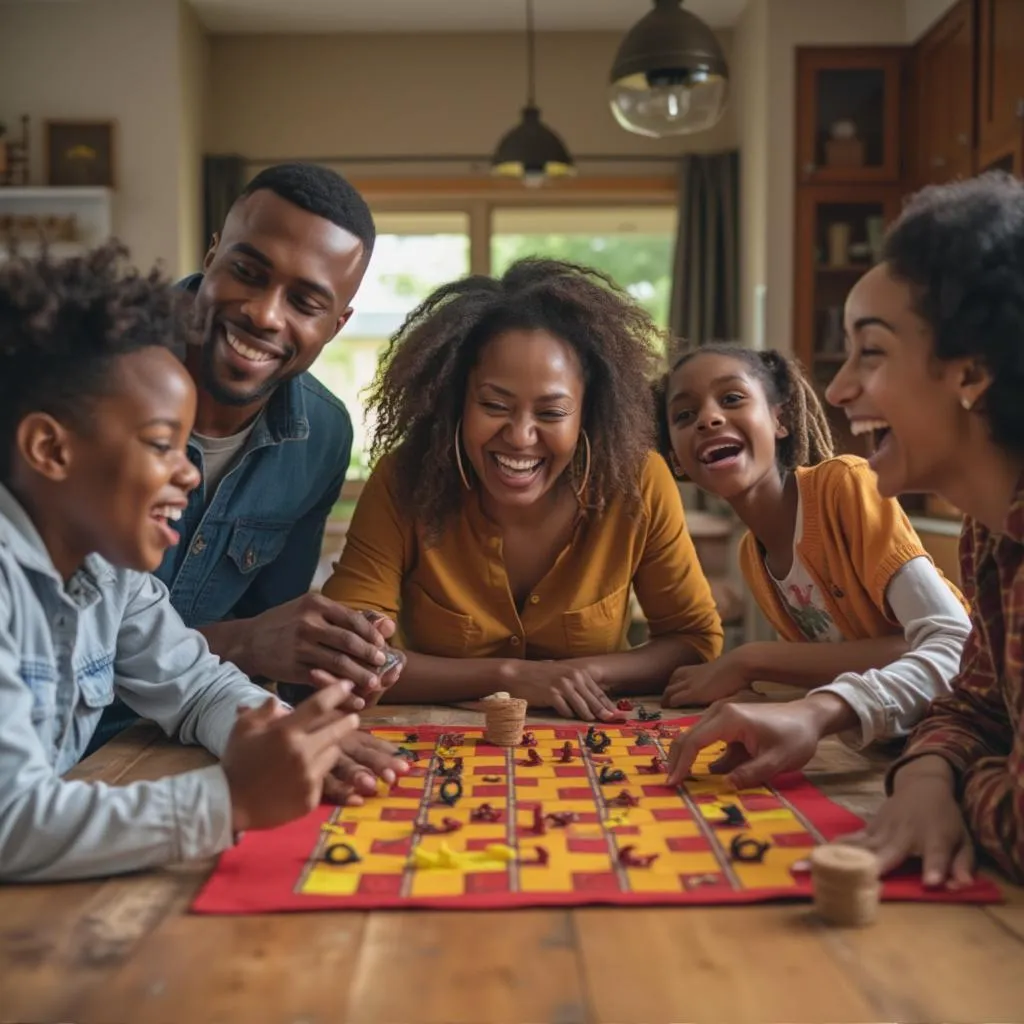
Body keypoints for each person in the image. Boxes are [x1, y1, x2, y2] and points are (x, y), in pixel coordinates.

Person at [0, 245, 364, 881]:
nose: (188, 472)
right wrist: (229, 801)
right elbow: (10, 822)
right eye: (162, 444)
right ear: (50, 449)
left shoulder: (110, 574)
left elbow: (196, 686)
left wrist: (283, 739)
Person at [321, 259, 724, 720]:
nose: (519, 435)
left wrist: (577, 677)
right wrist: (510, 677)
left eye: (551, 413)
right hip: (437, 747)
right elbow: (345, 655)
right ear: (457, 401)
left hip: (601, 745)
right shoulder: (403, 480)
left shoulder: (639, 482)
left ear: (588, 414)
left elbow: (695, 642)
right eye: (494, 405)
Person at [92, 163, 404, 752]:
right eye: (247, 272)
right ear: (212, 255)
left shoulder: (323, 436)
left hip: (186, 745)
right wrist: (245, 643)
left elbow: (265, 650)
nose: (264, 314)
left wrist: (331, 663)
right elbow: (56, 647)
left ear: (336, 326)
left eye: (306, 302)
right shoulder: (85, 376)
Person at [825, 172, 1024, 886]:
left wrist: (958, 787)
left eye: (869, 352)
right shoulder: (989, 533)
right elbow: (972, 705)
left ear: (971, 373)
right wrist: (926, 777)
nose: (838, 389)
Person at [660, 343, 970, 790]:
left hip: (964, 737)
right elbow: (842, 672)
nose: (708, 419)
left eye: (731, 399)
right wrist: (771, 699)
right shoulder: (753, 556)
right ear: (675, 458)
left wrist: (752, 660)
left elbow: (955, 648)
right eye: (684, 416)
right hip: (893, 752)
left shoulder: (844, 485)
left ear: (780, 420)